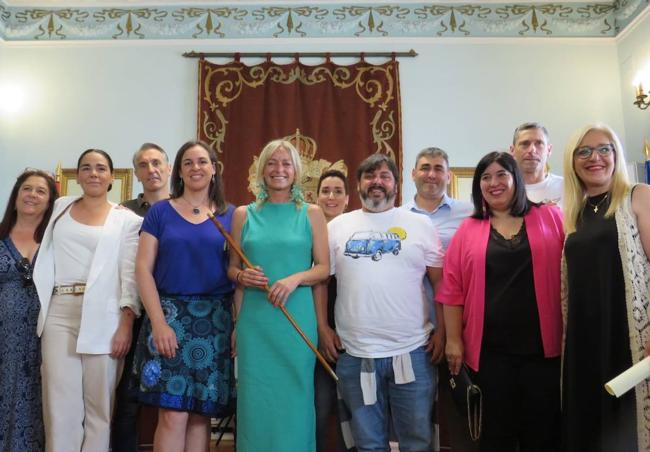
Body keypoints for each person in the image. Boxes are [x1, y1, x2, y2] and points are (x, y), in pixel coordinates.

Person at [437, 151, 564, 452]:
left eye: (501, 174)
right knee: (496, 436)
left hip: (544, 352)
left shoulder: (549, 216)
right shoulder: (468, 230)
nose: (494, 183)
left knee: (544, 434)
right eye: (486, 177)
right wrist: (453, 340)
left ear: (516, 179)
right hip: (490, 354)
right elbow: (452, 289)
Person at [328, 153, 444, 451]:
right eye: (369, 176)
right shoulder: (337, 227)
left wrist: (443, 332)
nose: (377, 182)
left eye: (384, 176)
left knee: (417, 442)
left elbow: (440, 283)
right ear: (358, 184)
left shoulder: (420, 224)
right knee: (367, 444)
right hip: (356, 354)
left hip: (414, 351)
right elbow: (320, 283)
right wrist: (320, 326)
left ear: (396, 184)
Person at [33, 149, 143, 452]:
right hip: (58, 312)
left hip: (105, 316)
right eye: (86, 168)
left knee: (100, 409)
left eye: (100, 168)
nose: (93, 173)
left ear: (111, 176)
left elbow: (130, 276)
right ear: (77, 175)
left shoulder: (128, 220)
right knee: (59, 406)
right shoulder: (60, 207)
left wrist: (126, 323)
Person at [133, 140, 235, 452]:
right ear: (178, 171)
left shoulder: (233, 215)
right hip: (170, 317)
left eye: (202, 161)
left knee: (201, 416)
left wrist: (238, 326)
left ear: (214, 169)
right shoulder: (160, 212)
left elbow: (237, 274)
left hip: (215, 321)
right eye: (188, 162)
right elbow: (142, 270)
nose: (195, 168)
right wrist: (159, 323)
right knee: (173, 413)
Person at [228, 139, 329, 452]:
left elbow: (324, 269)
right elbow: (232, 270)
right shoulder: (243, 215)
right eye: (272, 163)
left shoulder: (312, 213)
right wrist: (242, 276)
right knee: (255, 400)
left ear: (296, 171)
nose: (279, 170)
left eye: (286, 163)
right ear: (261, 170)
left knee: (296, 398)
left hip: (296, 321)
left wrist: (296, 277)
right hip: (255, 323)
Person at [561, 124, 650, 452]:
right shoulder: (573, 214)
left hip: (629, 338)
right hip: (585, 342)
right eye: (583, 151)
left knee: (627, 431)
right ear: (572, 162)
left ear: (616, 154)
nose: (594, 157)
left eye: (603, 149)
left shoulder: (638, 196)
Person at [402, 147, 473, 452]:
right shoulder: (397, 218)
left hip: (462, 322)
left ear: (448, 174)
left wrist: (449, 330)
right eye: (425, 167)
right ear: (413, 174)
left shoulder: (469, 214)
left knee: (460, 401)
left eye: (438, 168)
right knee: (419, 407)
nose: (431, 174)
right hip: (414, 326)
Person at [112, 142, 171, 452]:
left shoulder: (183, 208)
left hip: (174, 312)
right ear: (136, 173)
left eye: (157, 162)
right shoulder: (121, 214)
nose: (152, 170)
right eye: (144, 165)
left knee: (172, 398)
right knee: (126, 400)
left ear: (169, 167)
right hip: (133, 314)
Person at [0, 169, 57, 452]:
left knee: (40, 397)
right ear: (16, 196)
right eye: (27, 189)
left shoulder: (56, 240)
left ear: (50, 202)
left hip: (46, 334)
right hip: (4, 337)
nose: (32, 195)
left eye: (41, 191)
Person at [314, 169, 350, 452]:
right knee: (320, 407)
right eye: (325, 190)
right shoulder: (306, 233)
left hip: (352, 332)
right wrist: (321, 328)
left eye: (337, 191)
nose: (331, 197)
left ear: (348, 198)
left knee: (352, 412)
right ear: (316, 197)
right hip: (315, 329)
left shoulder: (357, 232)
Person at [510, 122, 563, 205]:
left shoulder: (567, 188)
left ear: (549, 150)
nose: (532, 150)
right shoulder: (504, 190)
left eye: (539, 143)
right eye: (525, 144)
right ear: (512, 150)